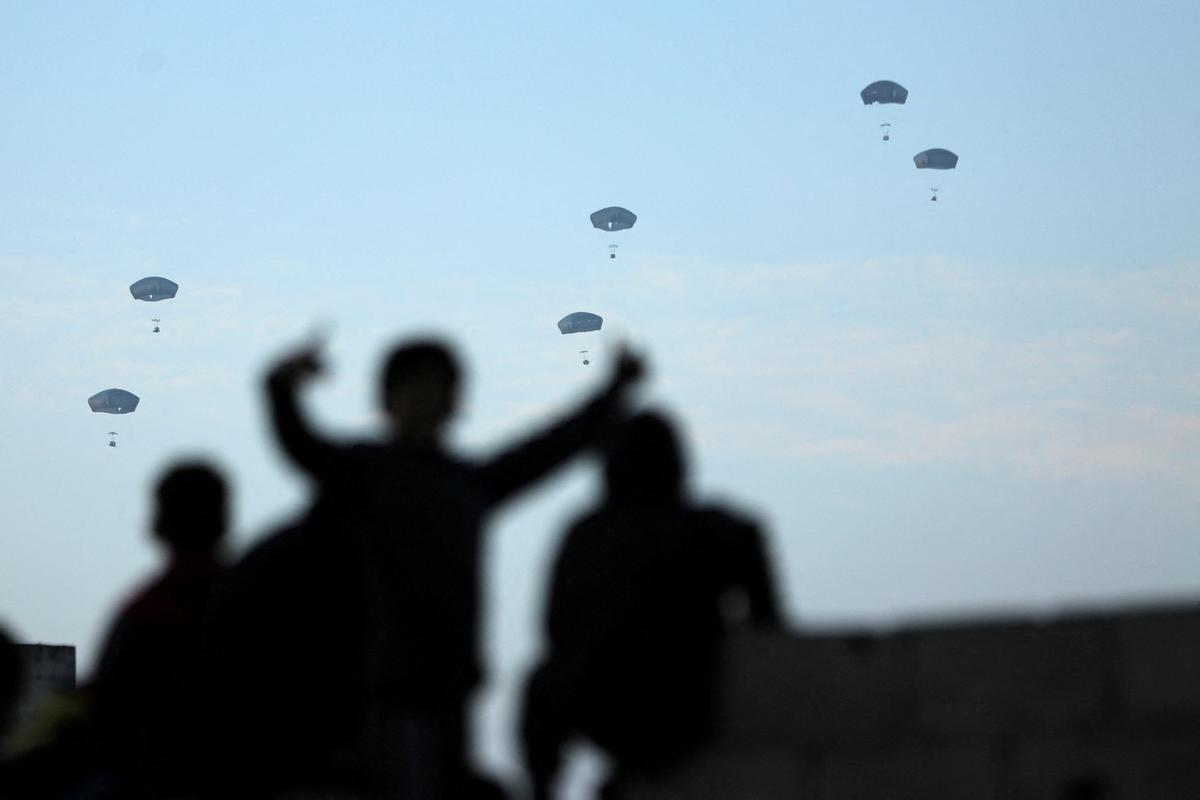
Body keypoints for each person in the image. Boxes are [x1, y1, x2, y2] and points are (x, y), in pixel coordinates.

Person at [264, 336, 645, 798]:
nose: (426, 399)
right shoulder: (367, 473)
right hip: (385, 690)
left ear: (455, 401)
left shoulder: (466, 485)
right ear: (388, 398)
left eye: (438, 387)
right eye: (415, 387)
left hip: (451, 688)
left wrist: (613, 392)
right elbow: (300, 442)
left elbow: (548, 449)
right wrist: (281, 384)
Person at [521, 412, 780, 800]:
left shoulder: (586, 533)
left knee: (540, 683)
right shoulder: (716, 528)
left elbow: (555, 627)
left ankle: (542, 789)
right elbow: (769, 625)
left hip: (611, 703)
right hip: (690, 700)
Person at [86, 462, 230, 798]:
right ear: (224, 522)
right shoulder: (257, 602)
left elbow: (109, 714)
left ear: (157, 525)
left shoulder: (143, 613)